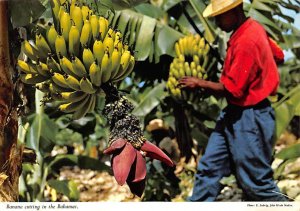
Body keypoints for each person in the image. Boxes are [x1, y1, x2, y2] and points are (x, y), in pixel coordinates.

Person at [178, 0, 287, 201]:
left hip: (250, 117)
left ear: (235, 11)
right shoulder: (254, 27)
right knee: (209, 168)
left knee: (256, 183)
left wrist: (200, 83)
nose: (217, 22)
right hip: (234, 113)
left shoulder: (247, 41)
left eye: (220, 16)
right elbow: (279, 55)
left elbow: (234, 90)